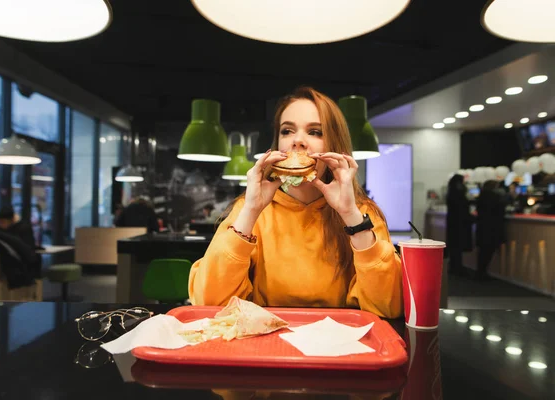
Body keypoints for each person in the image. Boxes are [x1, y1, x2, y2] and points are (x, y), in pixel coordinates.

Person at [188, 87, 402, 318]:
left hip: (340, 346)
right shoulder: (250, 210)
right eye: (287, 131)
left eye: (316, 132)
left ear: (335, 146)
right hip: (266, 345)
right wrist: (251, 210)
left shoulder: (361, 213)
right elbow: (209, 303)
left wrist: (350, 215)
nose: (298, 141)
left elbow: (388, 308)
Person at [475, 180, 507, 281]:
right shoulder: (496, 198)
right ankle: (483, 273)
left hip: (482, 227)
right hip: (492, 228)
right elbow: (500, 211)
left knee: (483, 251)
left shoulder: (481, 197)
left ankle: (481, 272)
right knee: (488, 251)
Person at [445, 174, 472, 276]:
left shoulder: (451, 193)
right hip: (459, 224)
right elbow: (463, 209)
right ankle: (457, 267)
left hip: (453, 224)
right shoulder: (459, 194)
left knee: (454, 247)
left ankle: (454, 267)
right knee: (458, 247)